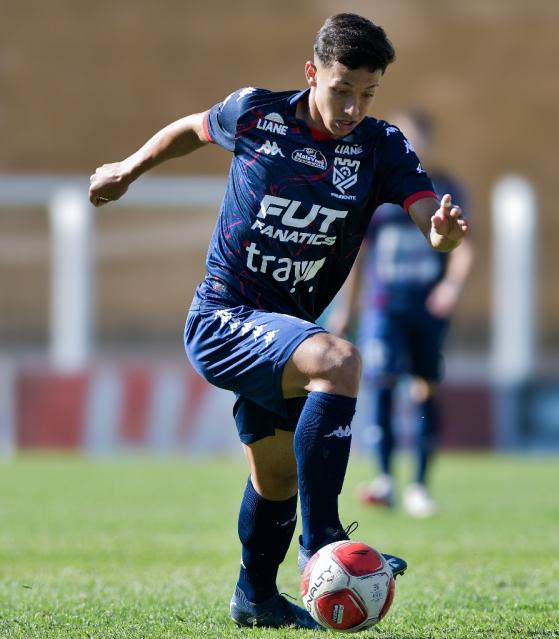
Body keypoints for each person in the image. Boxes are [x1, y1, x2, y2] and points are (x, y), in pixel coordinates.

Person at [88, 13, 468, 630]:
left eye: (367, 94)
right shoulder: (256, 113)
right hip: (224, 316)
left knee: (279, 478)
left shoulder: (379, 146)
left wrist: (442, 235)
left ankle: (256, 597)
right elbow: (191, 128)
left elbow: (430, 217)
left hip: (285, 331)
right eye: (342, 88)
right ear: (312, 72)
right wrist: (127, 170)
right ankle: (323, 542)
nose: (352, 106)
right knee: (340, 360)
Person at [327, 109, 474, 519]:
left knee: (425, 386)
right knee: (383, 380)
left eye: (414, 138)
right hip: (384, 305)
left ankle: (421, 486)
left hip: (426, 307)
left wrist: (450, 286)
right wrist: (345, 308)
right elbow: (356, 252)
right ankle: (385, 479)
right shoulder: (376, 186)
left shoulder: (444, 187)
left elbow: (466, 244)